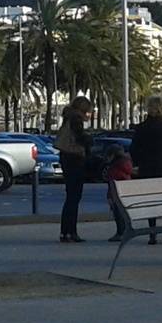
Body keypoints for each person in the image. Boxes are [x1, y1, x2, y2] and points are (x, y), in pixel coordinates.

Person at [56, 97, 93, 243]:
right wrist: (89, 140)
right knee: (74, 197)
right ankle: (71, 231)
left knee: (70, 197)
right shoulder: (76, 119)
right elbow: (80, 137)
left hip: (66, 158)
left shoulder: (68, 118)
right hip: (74, 159)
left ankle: (65, 232)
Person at [103, 149, 135, 242]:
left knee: (118, 212)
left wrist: (109, 197)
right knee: (123, 212)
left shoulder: (114, 168)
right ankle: (125, 230)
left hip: (116, 195)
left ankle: (120, 232)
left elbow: (111, 184)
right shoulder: (126, 164)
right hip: (125, 194)